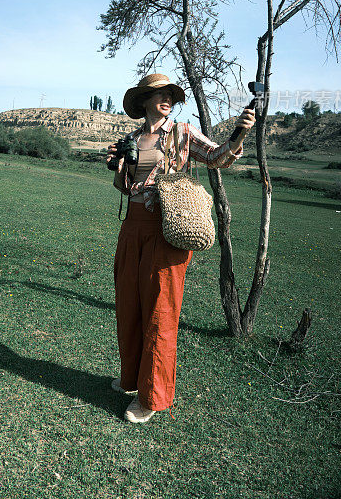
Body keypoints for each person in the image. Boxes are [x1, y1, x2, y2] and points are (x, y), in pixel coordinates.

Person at [106, 73, 255, 424]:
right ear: (143, 100)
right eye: (160, 93)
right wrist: (117, 167)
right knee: (129, 304)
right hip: (132, 227)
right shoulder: (131, 138)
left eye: (171, 94)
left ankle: (152, 397)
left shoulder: (183, 132)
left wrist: (241, 131)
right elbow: (124, 188)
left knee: (160, 313)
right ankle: (131, 379)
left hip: (168, 229)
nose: (168, 99)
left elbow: (218, 157)